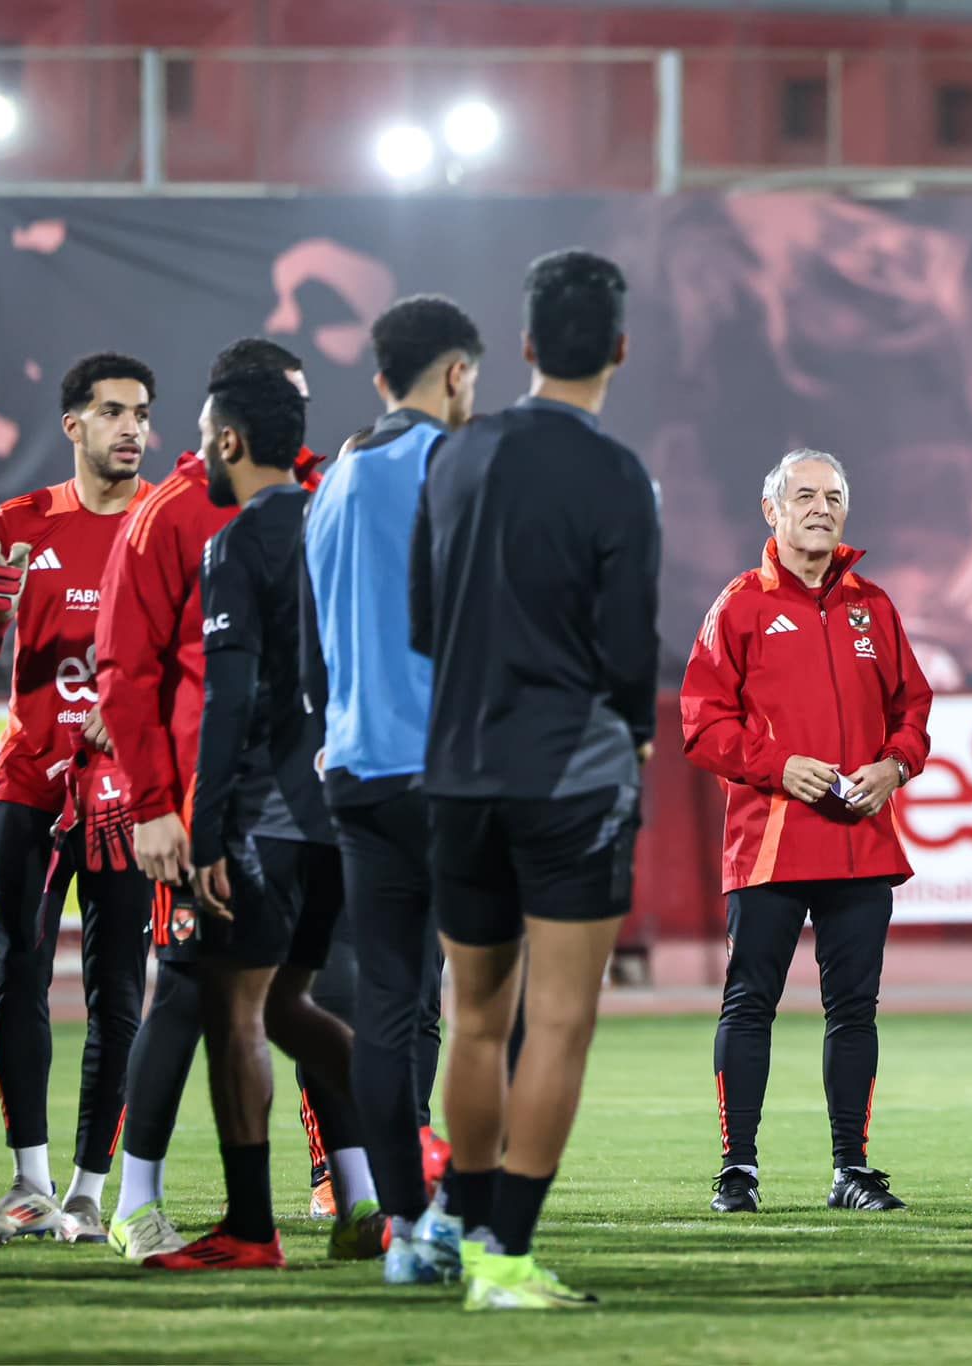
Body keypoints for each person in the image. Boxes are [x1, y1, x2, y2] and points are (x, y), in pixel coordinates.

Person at [412, 249, 660, 1311]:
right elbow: (625, 644)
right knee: (556, 1022)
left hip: (456, 774)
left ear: (519, 348)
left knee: (472, 1016)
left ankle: (464, 1235)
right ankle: (505, 1259)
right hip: (568, 773)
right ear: (618, 348)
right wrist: (636, 733)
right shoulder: (616, 476)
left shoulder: (455, 457)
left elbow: (425, 620)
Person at [94, 339, 353, 1262]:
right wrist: (158, 804)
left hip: (290, 806)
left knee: (299, 997)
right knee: (189, 990)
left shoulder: (319, 508)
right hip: (211, 803)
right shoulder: (171, 515)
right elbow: (127, 671)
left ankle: (360, 1192)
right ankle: (137, 1201)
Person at [682, 448, 933, 1216]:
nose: (820, 507)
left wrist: (896, 766)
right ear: (773, 511)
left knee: (854, 1011)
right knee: (749, 1004)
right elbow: (702, 723)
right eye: (804, 495)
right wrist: (776, 766)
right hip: (770, 842)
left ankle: (851, 1170)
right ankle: (739, 1170)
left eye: (833, 496)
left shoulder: (875, 607)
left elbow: (913, 709)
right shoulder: (740, 606)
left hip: (861, 843)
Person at [0, 353, 155, 1248]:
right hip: (30, 791)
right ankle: (31, 1184)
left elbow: (196, 661)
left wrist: (138, 724)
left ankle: (88, 1190)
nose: (132, 429)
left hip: (130, 799)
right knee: (19, 974)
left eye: (142, 414)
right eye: (113, 412)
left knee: (119, 992)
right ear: (72, 425)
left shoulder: (166, 524)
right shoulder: (19, 524)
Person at [302, 295, 480, 1283]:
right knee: (484, 1000)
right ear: (455, 374)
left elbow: (310, 647)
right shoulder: (446, 465)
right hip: (451, 771)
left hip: (356, 773)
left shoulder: (332, 481)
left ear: (379, 375)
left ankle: (400, 1221)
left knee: (381, 1004)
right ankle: (478, 1220)